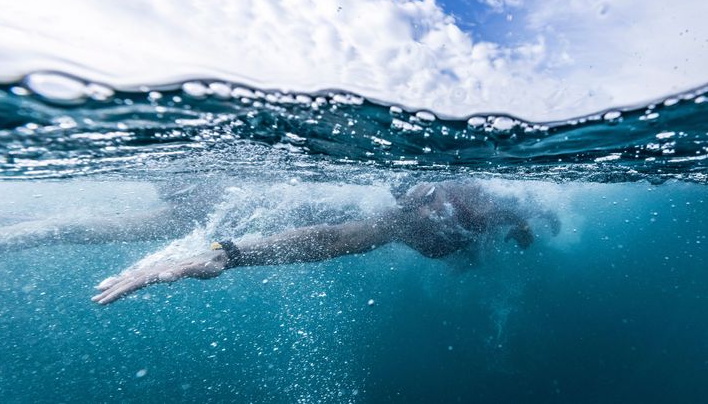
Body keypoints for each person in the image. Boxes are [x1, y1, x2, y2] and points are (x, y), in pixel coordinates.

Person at [92, 180, 560, 305]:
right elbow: (329, 239)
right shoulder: (399, 222)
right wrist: (226, 256)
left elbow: (521, 214)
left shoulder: (479, 203)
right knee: (464, 259)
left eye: (428, 200)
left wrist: (525, 229)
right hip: (456, 246)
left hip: (486, 228)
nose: (424, 211)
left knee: (502, 234)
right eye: (410, 204)